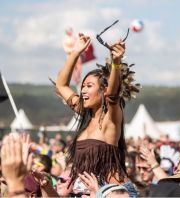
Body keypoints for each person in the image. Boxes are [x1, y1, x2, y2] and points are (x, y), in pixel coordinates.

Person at [56, 32, 139, 197]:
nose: (83, 90)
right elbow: (61, 85)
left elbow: (113, 96)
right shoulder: (86, 114)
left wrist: (116, 63)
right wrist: (75, 52)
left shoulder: (111, 118)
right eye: (83, 86)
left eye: (89, 86)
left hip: (115, 194)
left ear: (103, 91)